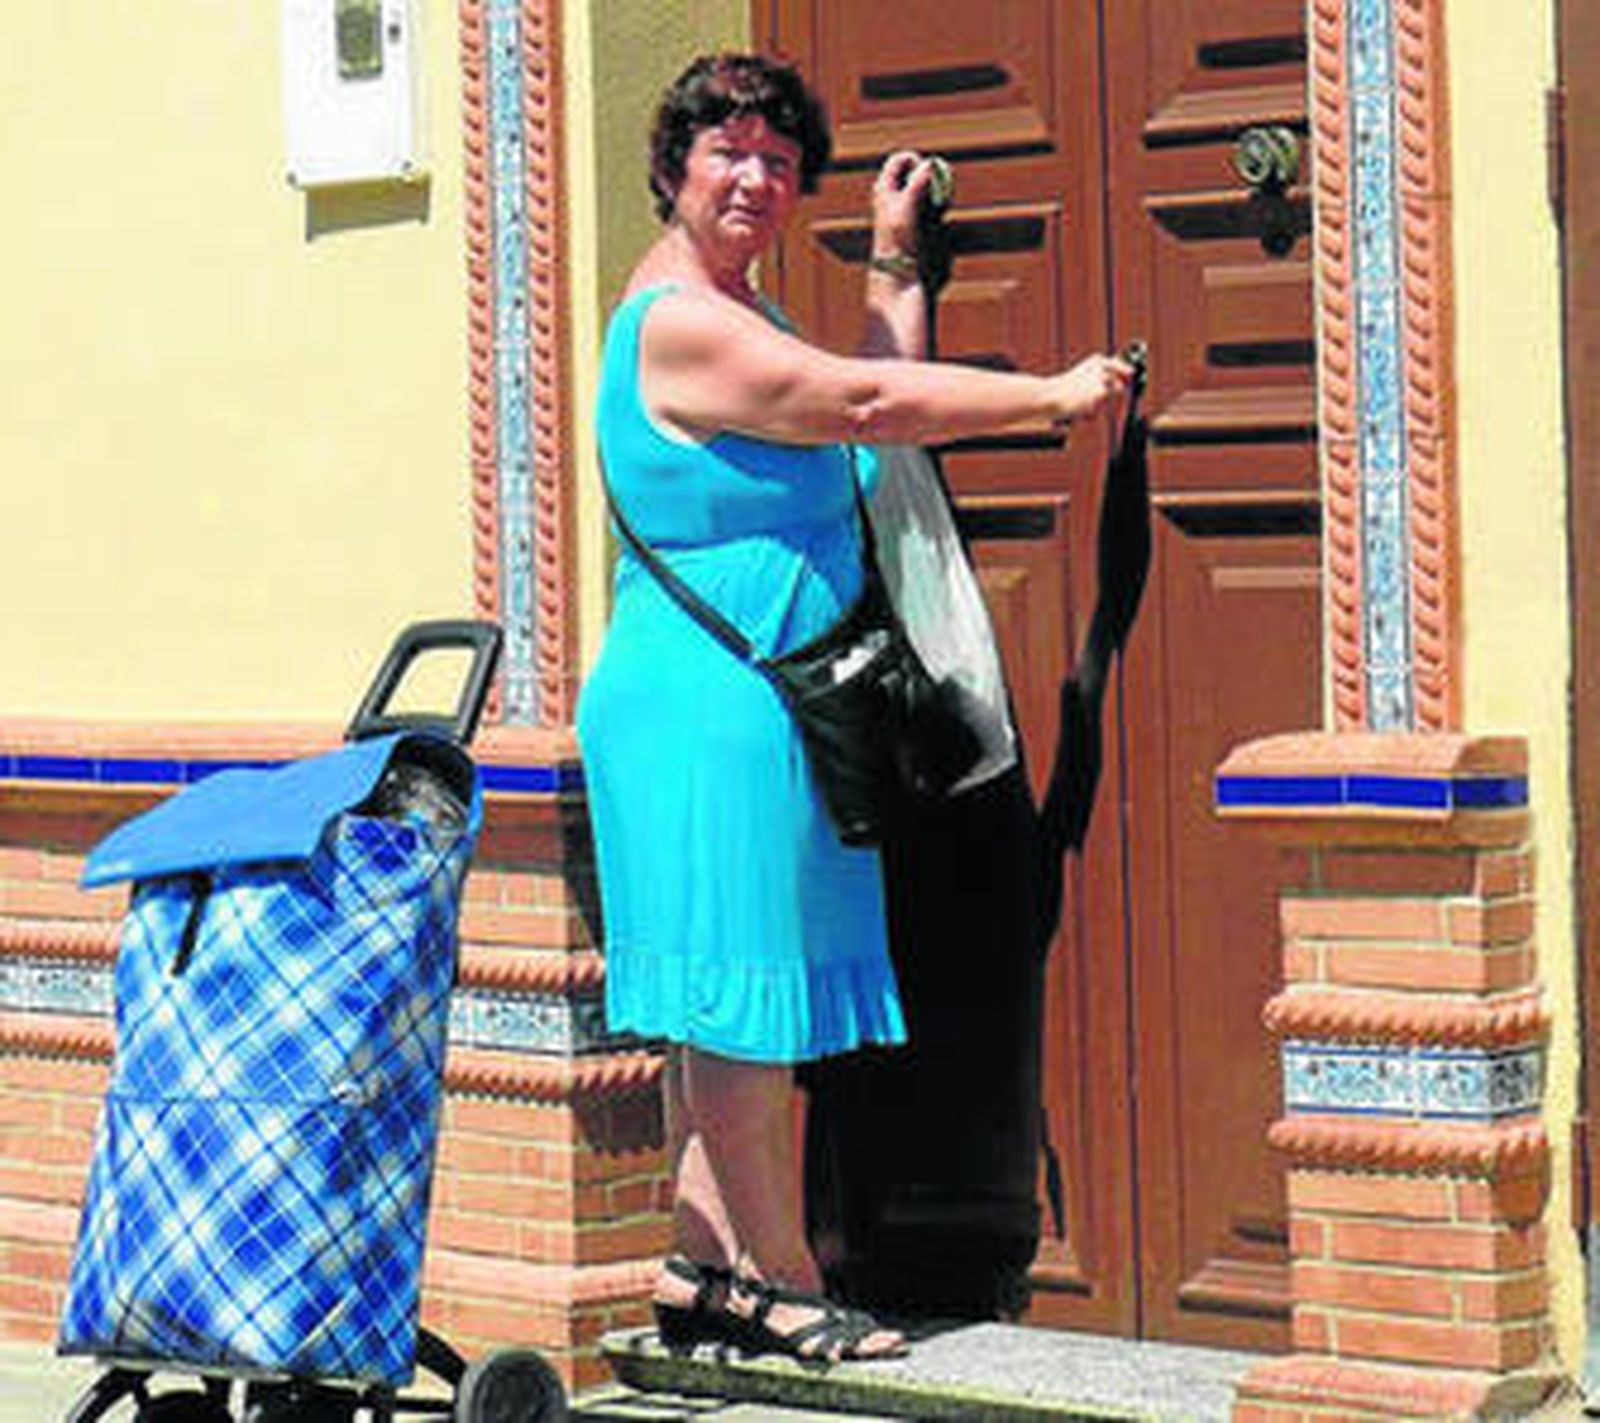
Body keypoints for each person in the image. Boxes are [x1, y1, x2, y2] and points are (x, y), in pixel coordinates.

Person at [575, 52, 1131, 1364]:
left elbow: (867, 431)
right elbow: (866, 401)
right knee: (742, 1013)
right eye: (731, 154)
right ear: (672, 169)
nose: (757, 180)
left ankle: (702, 1266)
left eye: (778, 160)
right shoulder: (676, 324)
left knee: (739, 1004)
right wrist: (1049, 396)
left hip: (768, 712)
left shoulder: (744, 311)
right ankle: (786, 1283)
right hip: (710, 713)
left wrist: (893, 256)